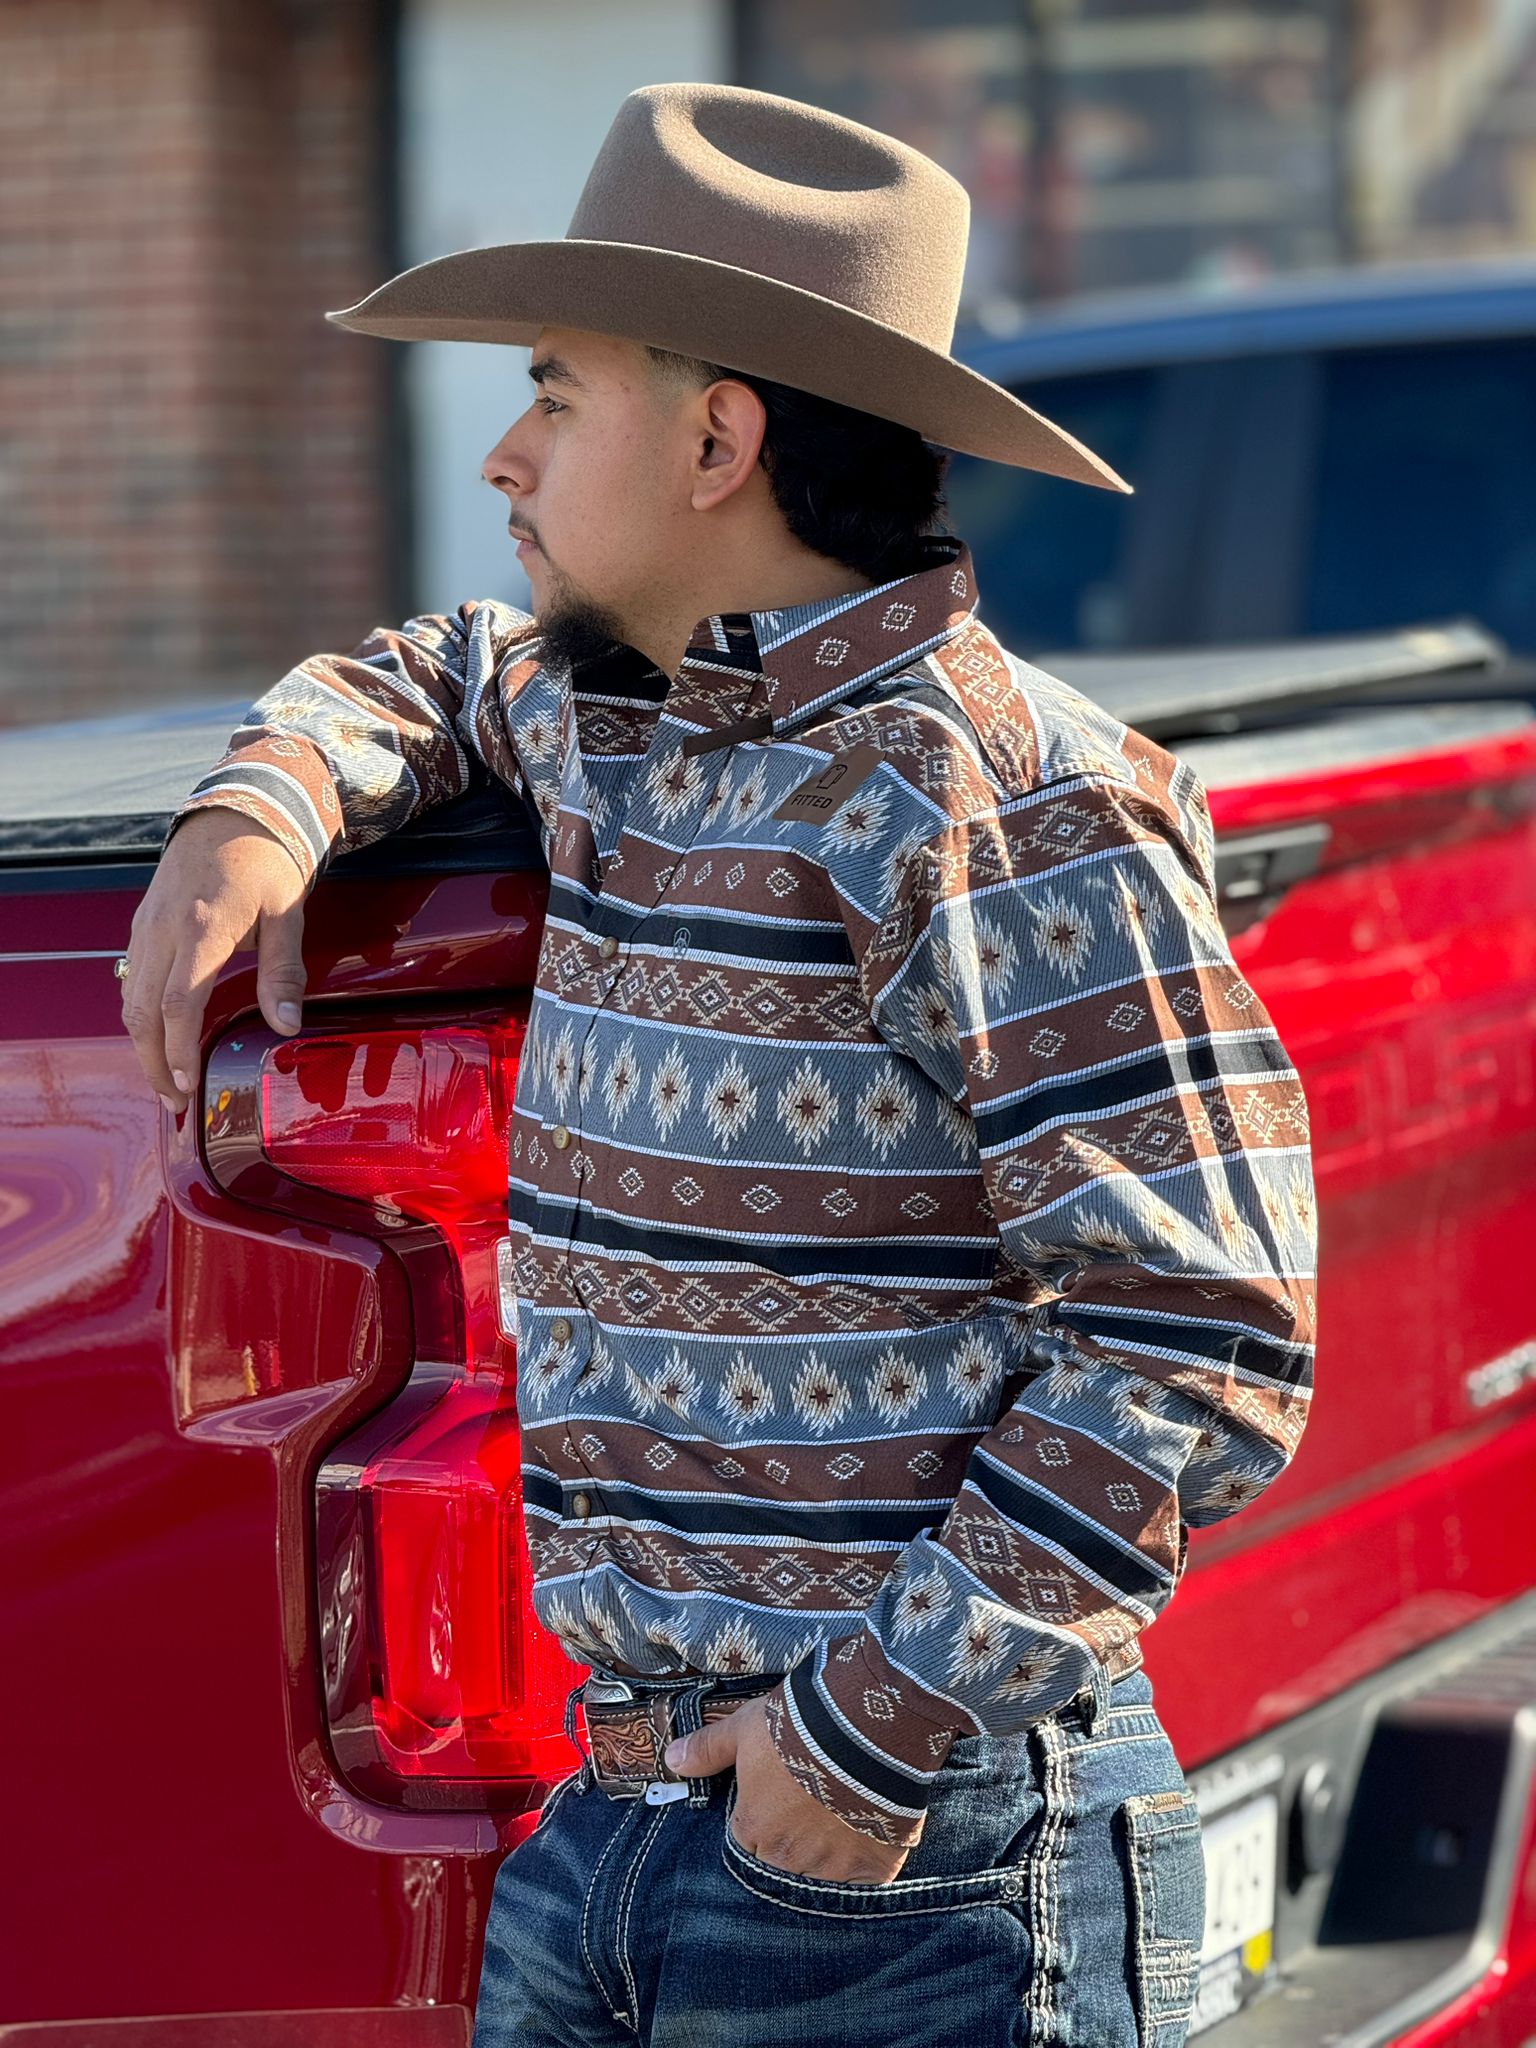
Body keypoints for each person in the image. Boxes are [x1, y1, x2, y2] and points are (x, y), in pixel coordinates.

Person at [123, 81, 1315, 2048]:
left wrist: (867, 1736)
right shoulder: (618, 712)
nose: (504, 456)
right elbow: (424, 671)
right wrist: (252, 814)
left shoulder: (995, 797)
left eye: (553, 396)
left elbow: (1199, 1332)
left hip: (913, 1858)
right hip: (616, 1825)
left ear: (716, 437)